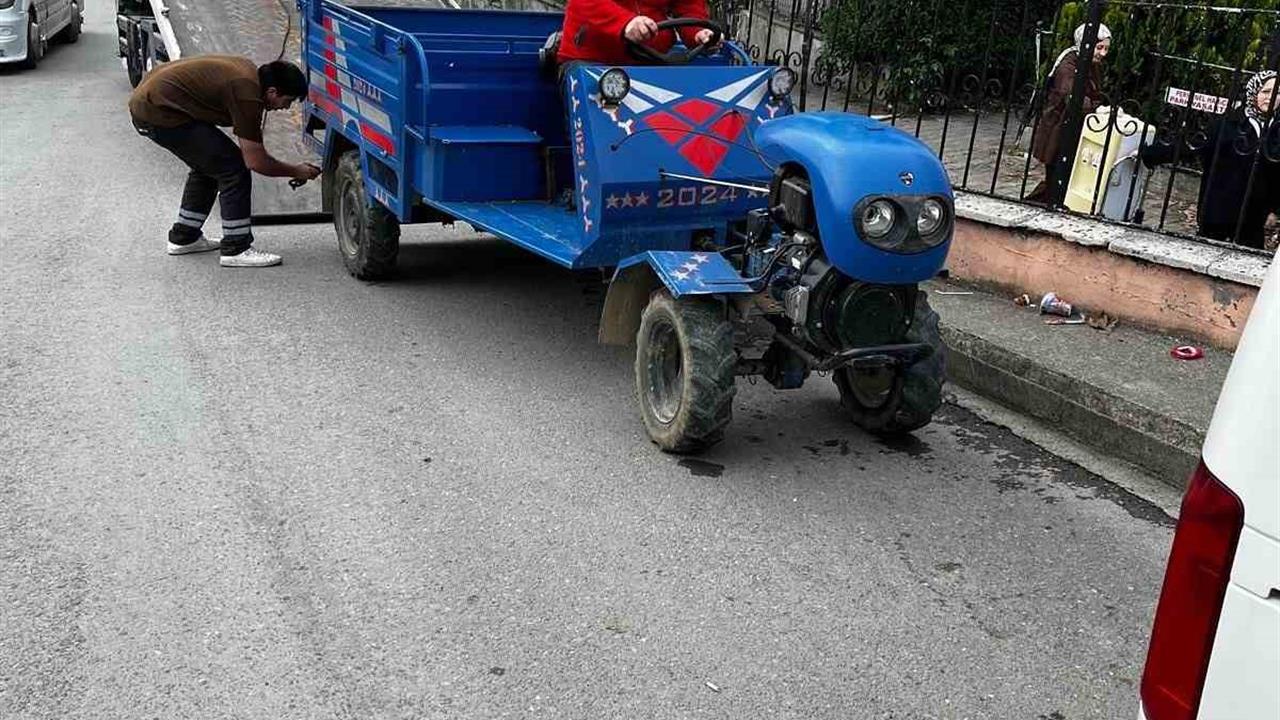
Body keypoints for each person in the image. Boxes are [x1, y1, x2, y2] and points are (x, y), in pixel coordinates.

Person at [128, 56, 322, 268]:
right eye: (288, 101)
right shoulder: (248, 95)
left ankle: (184, 237)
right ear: (272, 92)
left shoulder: (249, 74)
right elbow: (255, 161)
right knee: (233, 168)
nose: (285, 108)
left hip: (153, 102)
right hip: (157, 112)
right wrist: (297, 170)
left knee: (210, 165)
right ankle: (236, 248)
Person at [1141, 71, 1279, 250]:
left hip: (1254, 216)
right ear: (1254, 92)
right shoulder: (1229, 123)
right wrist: (1150, 154)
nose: (1271, 97)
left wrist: (1275, 210)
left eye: (1277, 92)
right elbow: (1192, 146)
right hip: (1219, 210)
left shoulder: (1276, 128)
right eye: (1265, 91)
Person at [1027, 23, 1112, 205]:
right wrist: (1096, 108)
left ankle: (1044, 203)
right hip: (1057, 128)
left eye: (1106, 48)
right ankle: (1042, 205)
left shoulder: (1091, 64)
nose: (1103, 53)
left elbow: (1094, 92)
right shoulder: (1068, 65)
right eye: (1099, 47)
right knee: (1056, 175)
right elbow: (1072, 96)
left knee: (1064, 176)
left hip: (1072, 127)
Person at [556, 0, 718, 66]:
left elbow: (688, 6)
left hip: (651, 59)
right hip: (592, 60)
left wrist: (699, 33)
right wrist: (625, 22)